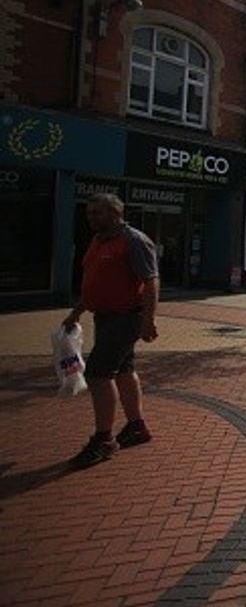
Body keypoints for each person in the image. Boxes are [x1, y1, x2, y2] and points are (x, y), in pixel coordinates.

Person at [63, 193, 159, 469]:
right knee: (124, 370)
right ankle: (136, 426)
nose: (91, 217)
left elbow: (150, 281)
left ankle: (104, 440)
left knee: (98, 374)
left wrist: (148, 320)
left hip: (126, 318)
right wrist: (77, 312)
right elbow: (96, 282)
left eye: (98, 212)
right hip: (104, 318)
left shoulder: (134, 241)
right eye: (89, 213)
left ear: (116, 213)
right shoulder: (97, 240)